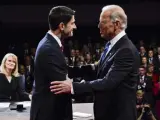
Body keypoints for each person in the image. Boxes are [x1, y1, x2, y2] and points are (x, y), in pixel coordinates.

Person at [50, 5, 140, 120]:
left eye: (102, 22)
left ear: (116, 24)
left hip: (118, 115)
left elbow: (108, 83)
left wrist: (72, 87)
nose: (98, 26)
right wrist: (69, 70)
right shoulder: (112, 45)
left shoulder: (125, 50)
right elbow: (98, 68)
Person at [30, 6, 76, 120]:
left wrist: (91, 68)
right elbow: (62, 85)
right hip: (50, 114)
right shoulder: (49, 48)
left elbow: (64, 70)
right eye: (72, 23)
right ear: (61, 26)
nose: (75, 26)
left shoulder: (51, 43)